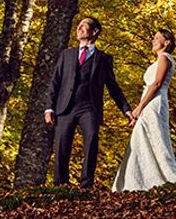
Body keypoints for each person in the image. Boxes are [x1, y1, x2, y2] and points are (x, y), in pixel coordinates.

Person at [44, 16, 133, 189]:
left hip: (89, 108)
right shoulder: (66, 54)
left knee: (91, 141)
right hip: (65, 108)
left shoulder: (103, 59)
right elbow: (55, 82)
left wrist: (126, 109)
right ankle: (60, 186)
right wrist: (49, 108)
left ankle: (86, 185)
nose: (79, 28)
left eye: (84, 25)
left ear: (95, 32)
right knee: (61, 146)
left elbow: (113, 87)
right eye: (78, 25)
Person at [112, 29, 176, 191]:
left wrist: (139, 108)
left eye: (157, 38)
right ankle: (137, 180)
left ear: (166, 43)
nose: (153, 41)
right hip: (149, 103)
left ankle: (165, 176)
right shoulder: (159, 60)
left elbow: (157, 84)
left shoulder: (165, 58)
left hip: (155, 103)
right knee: (142, 138)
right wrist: (138, 113)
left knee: (155, 137)